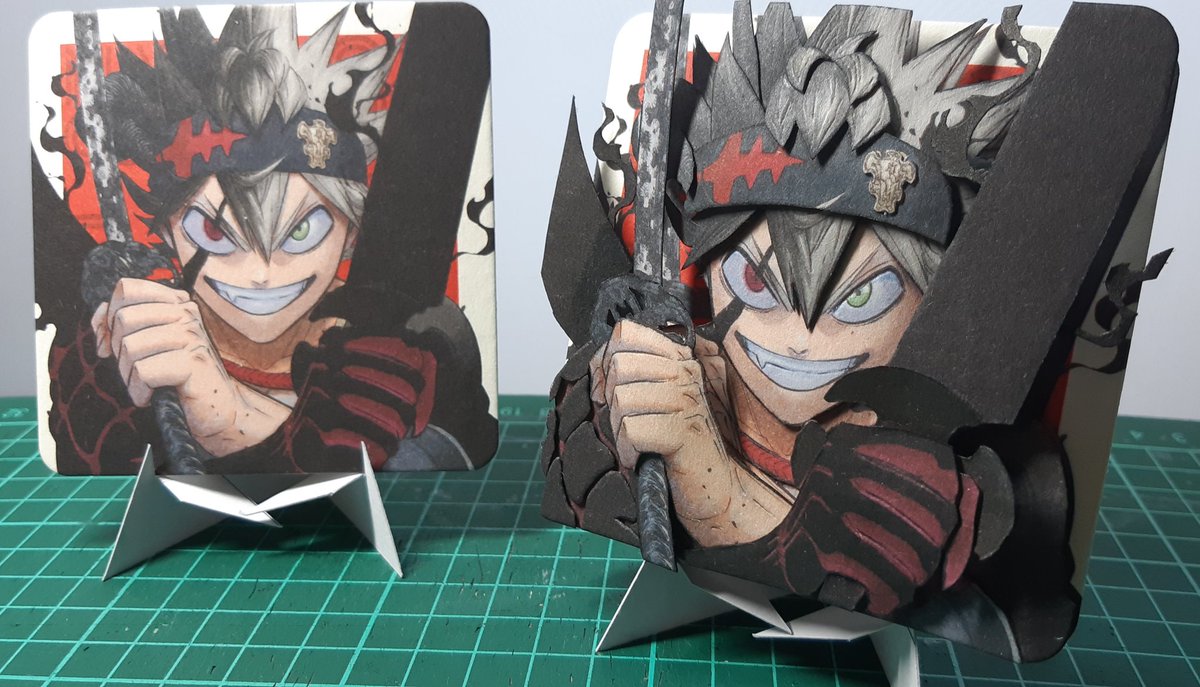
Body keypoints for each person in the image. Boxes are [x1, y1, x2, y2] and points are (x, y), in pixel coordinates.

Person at [543, 2, 1079, 660]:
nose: (799, 337)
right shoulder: (676, 371)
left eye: (863, 295)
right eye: (753, 281)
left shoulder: (945, 479)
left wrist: (717, 484)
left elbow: (886, 567)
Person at [42, 6, 496, 474]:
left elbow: (425, 469)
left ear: (351, 230)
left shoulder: (418, 343)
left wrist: (231, 418)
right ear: (166, 232)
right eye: (214, 232)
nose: (260, 274)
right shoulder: (129, 340)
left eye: (301, 231)